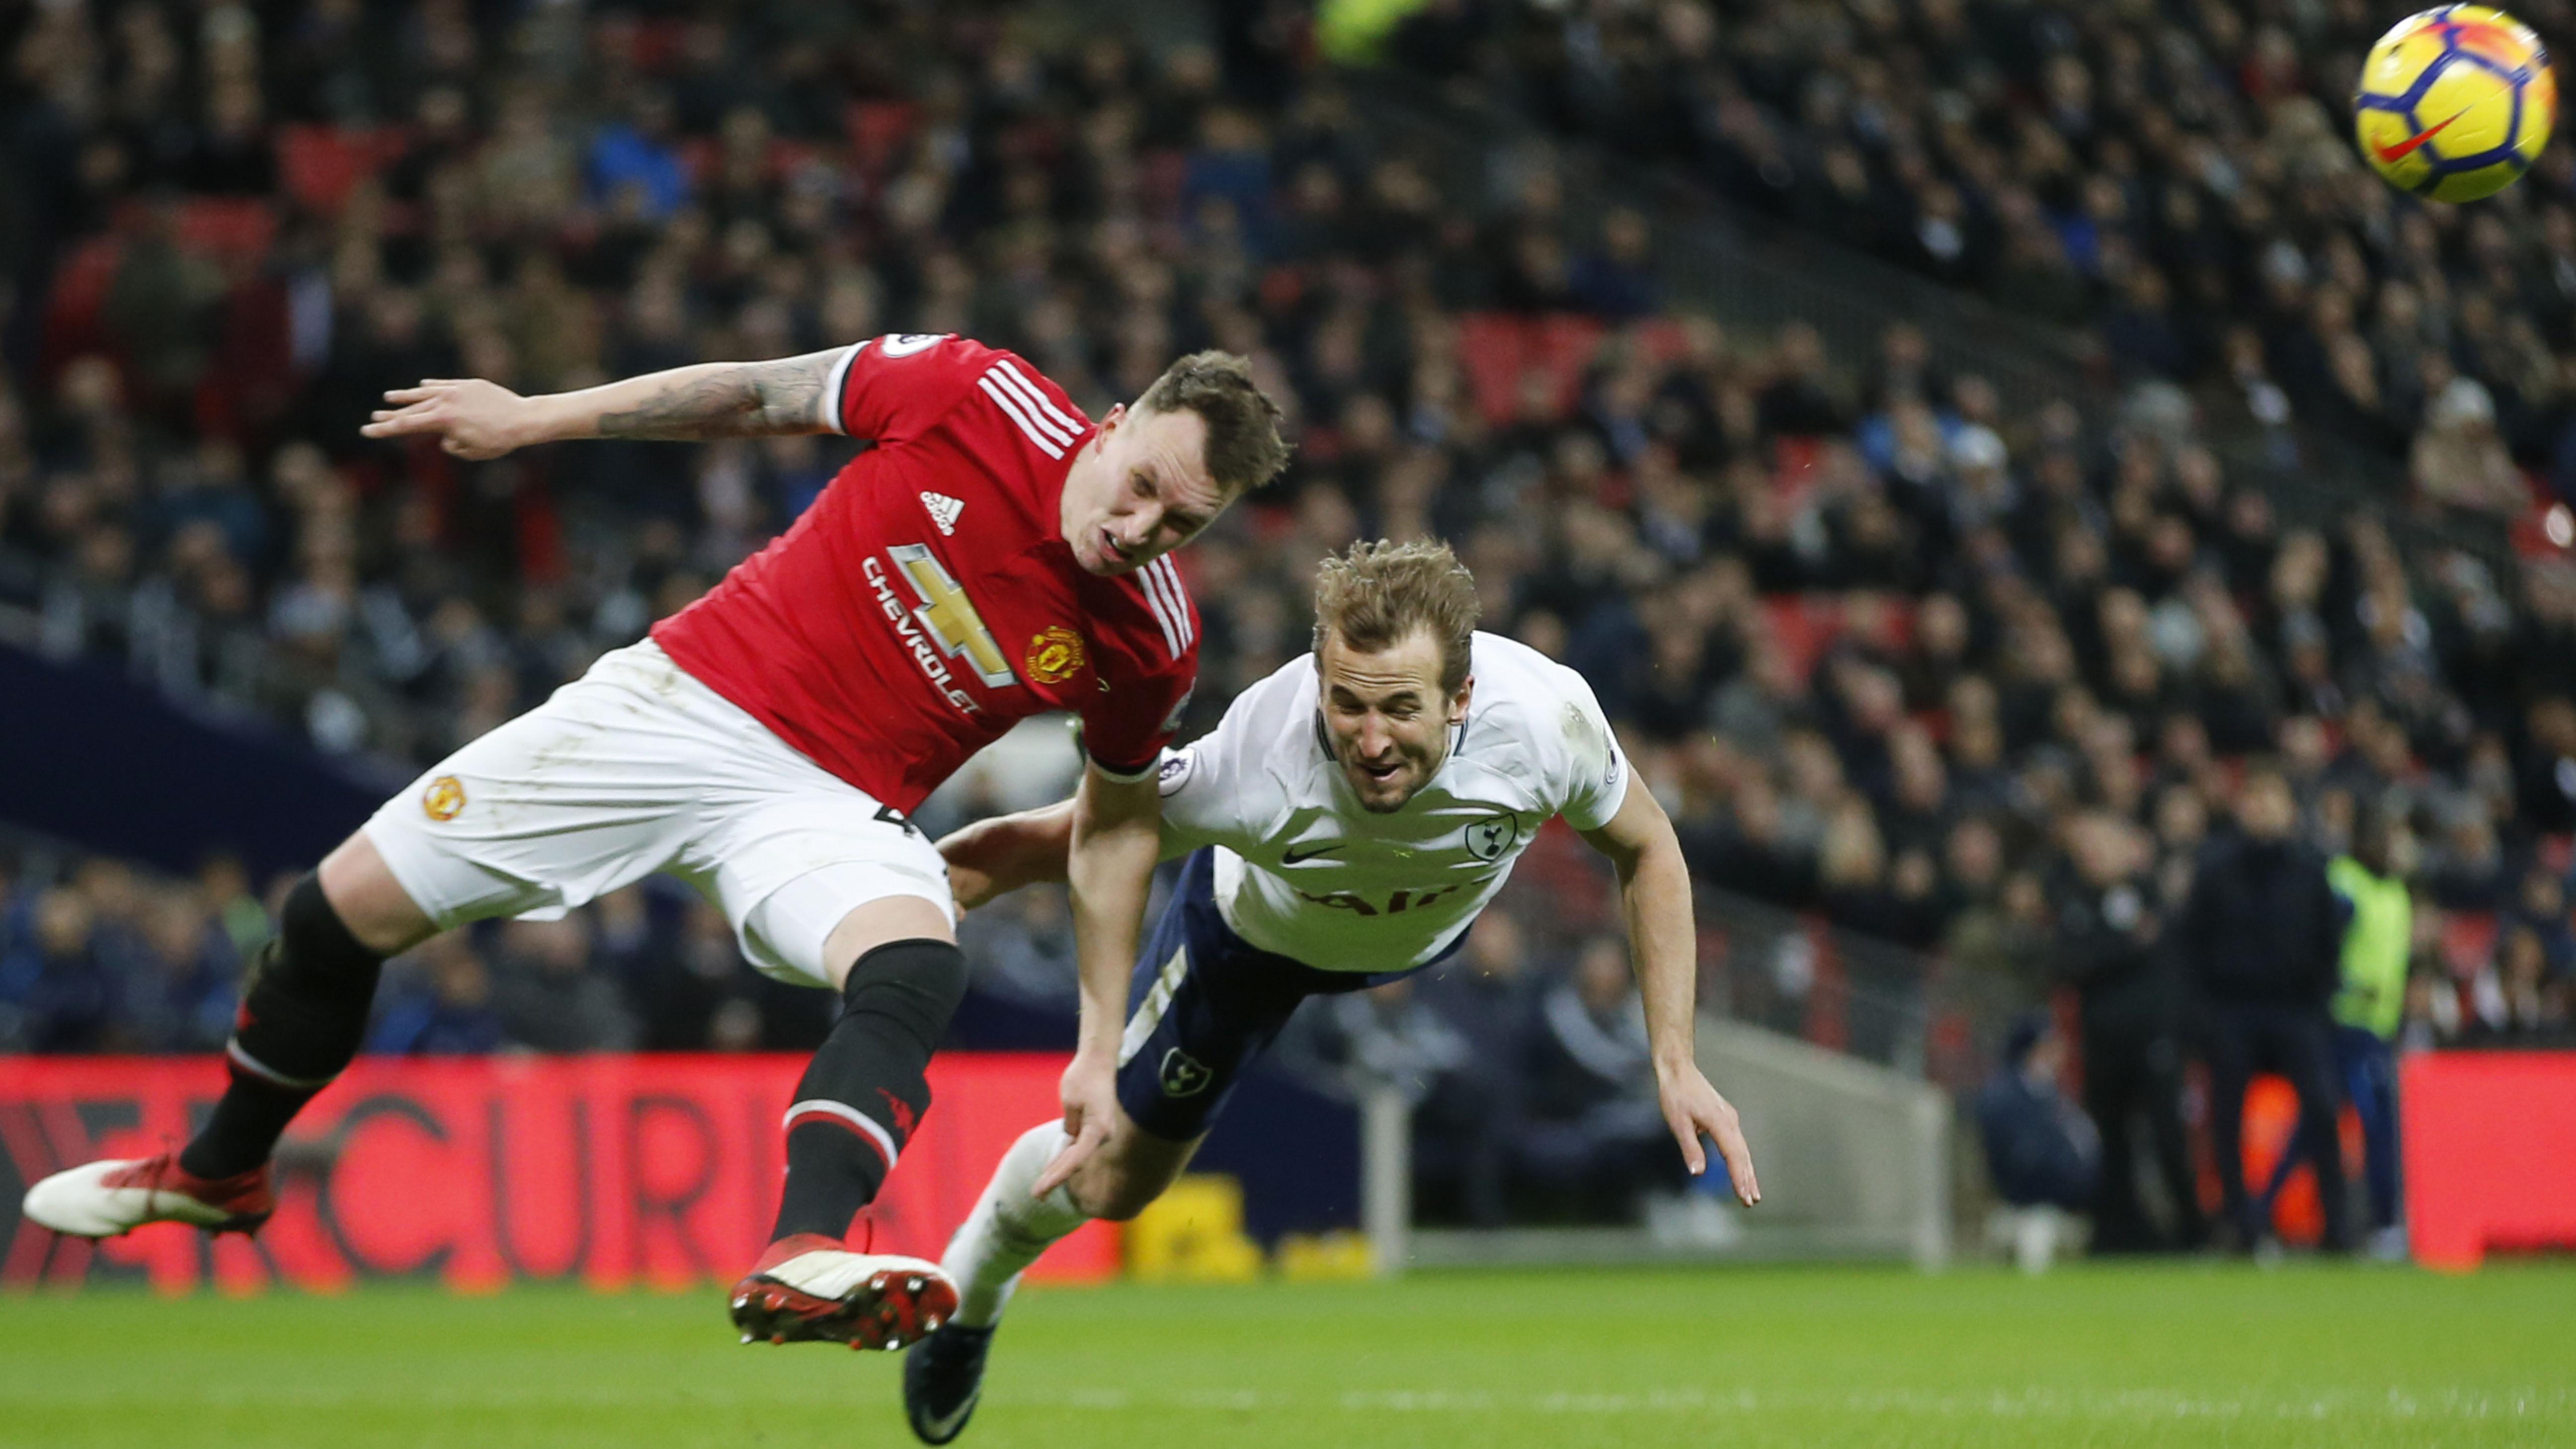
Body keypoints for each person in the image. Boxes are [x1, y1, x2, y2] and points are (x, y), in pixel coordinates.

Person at [21, 334, 1289, 1352]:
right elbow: (758, 396)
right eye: (1141, 487)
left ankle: (803, 1250)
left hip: (826, 804)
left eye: (1180, 525)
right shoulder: (972, 393)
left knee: (915, 960)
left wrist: (1094, 1044)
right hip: (681, 704)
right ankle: (222, 1170)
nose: (1140, 530)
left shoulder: (1148, 640)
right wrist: (537, 417)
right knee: (334, 911)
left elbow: (1114, 830)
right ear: (1111, 421)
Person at [901, 539, 1759, 1444]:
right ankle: (967, 1297)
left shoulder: (1547, 721)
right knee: (1113, 1184)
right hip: (1245, 946)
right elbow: (1084, 836)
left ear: (1461, 697)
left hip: (1411, 951)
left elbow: (1647, 845)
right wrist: (905, 891)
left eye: (1400, 708)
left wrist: (1674, 1060)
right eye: (1347, 703)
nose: (1371, 741)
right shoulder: (1257, 757)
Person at [2178, 763, 2354, 1253]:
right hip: (2232, 1011)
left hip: (2296, 1010)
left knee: (2322, 1110)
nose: (2263, 811)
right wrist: (2203, 1015)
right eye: (2254, 801)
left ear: (2290, 810)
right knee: (2226, 1121)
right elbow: (2192, 945)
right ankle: (2241, 1225)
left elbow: (2329, 942)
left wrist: (2320, 1002)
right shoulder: (2216, 871)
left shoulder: (2312, 869)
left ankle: (2337, 1226)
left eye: (2272, 801)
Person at [2260, 803, 2412, 1257]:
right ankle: (2384, 1224)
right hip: (2345, 1023)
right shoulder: (2346, 883)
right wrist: (2341, 986)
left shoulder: (2393, 891)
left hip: (2379, 1026)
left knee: (2321, 1125)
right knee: (2362, 1124)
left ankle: (2260, 1212)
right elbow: (2321, 946)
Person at [2055, 812, 2202, 1253]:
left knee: (2168, 1136)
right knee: (2111, 1140)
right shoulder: (2074, 901)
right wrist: (2128, 944)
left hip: (2154, 1039)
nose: (2093, 856)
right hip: (2103, 1042)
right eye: (2086, 849)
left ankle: (2193, 1230)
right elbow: (2071, 963)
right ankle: (2120, 1233)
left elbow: (2168, 959)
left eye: (2102, 846)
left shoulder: (2153, 894)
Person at [1974, 1014, 2099, 1273]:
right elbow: (2019, 1159)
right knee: (2037, 1236)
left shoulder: (2051, 1092)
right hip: (2027, 1205)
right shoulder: (2004, 1095)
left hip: (2068, 1203)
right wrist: (2068, 1178)